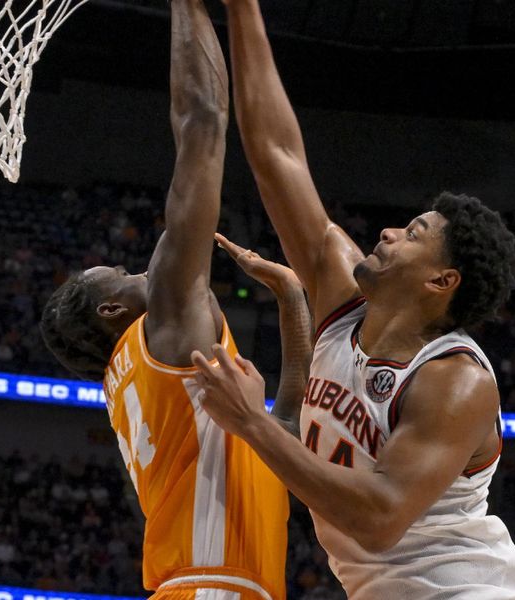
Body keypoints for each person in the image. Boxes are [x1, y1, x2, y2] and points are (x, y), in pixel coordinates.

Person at [190, 0, 515, 598]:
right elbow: (277, 155)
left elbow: (379, 519)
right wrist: (242, 10)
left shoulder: (454, 381)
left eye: (413, 235)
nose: (388, 232)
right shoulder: (341, 303)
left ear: (441, 281)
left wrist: (250, 420)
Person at [39, 1, 311, 597]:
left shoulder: (154, 370)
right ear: (112, 310)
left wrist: (292, 301)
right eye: (114, 271)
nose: (134, 267)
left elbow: (284, 434)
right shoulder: (161, 326)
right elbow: (203, 119)